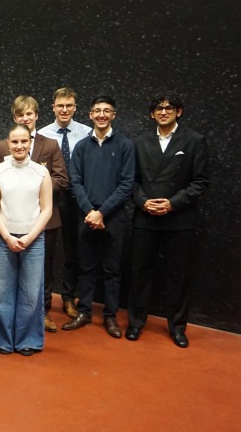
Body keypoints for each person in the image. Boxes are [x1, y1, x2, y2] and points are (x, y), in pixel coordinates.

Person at [127, 96, 209, 347]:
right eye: (159, 108)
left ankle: (177, 327)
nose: (164, 112)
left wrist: (173, 203)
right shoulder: (139, 142)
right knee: (140, 272)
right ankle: (135, 323)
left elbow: (200, 181)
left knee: (178, 275)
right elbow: (131, 180)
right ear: (152, 114)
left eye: (169, 108)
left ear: (179, 112)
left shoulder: (194, 140)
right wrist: (143, 202)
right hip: (146, 216)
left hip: (180, 219)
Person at [0, 95, 68, 333]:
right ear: (14, 117)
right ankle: (9, 322)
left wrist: (35, 184)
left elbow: (61, 178)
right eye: (20, 114)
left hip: (44, 218)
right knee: (6, 279)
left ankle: (42, 313)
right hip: (9, 221)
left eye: (29, 114)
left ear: (36, 115)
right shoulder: (1, 147)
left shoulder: (50, 144)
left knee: (41, 273)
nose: (25, 118)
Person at [62, 96, 135, 339]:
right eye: (97, 111)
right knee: (86, 267)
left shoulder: (125, 145)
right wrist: (90, 211)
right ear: (90, 115)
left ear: (113, 115)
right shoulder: (82, 146)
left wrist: (102, 212)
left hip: (113, 218)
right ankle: (84, 312)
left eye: (106, 111)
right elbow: (75, 182)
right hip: (86, 216)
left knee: (112, 270)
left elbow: (127, 184)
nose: (101, 114)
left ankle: (110, 316)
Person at [0, 124, 53, 356]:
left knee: (31, 293)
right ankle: (2, 339)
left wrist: (29, 237)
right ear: (8, 143)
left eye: (24, 141)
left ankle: (28, 340)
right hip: (2, 238)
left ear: (30, 143)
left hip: (33, 240)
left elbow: (47, 209)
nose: (19, 146)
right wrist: (7, 236)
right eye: (14, 142)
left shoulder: (41, 172)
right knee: (2, 292)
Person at [38, 87, 92, 321]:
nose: (64, 109)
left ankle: (69, 297)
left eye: (69, 105)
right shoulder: (42, 134)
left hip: (76, 199)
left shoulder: (87, 132)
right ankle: (44, 303)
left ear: (75, 107)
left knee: (73, 250)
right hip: (49, 198)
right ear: (53, 108)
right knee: (45, 253)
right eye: (60, 105)